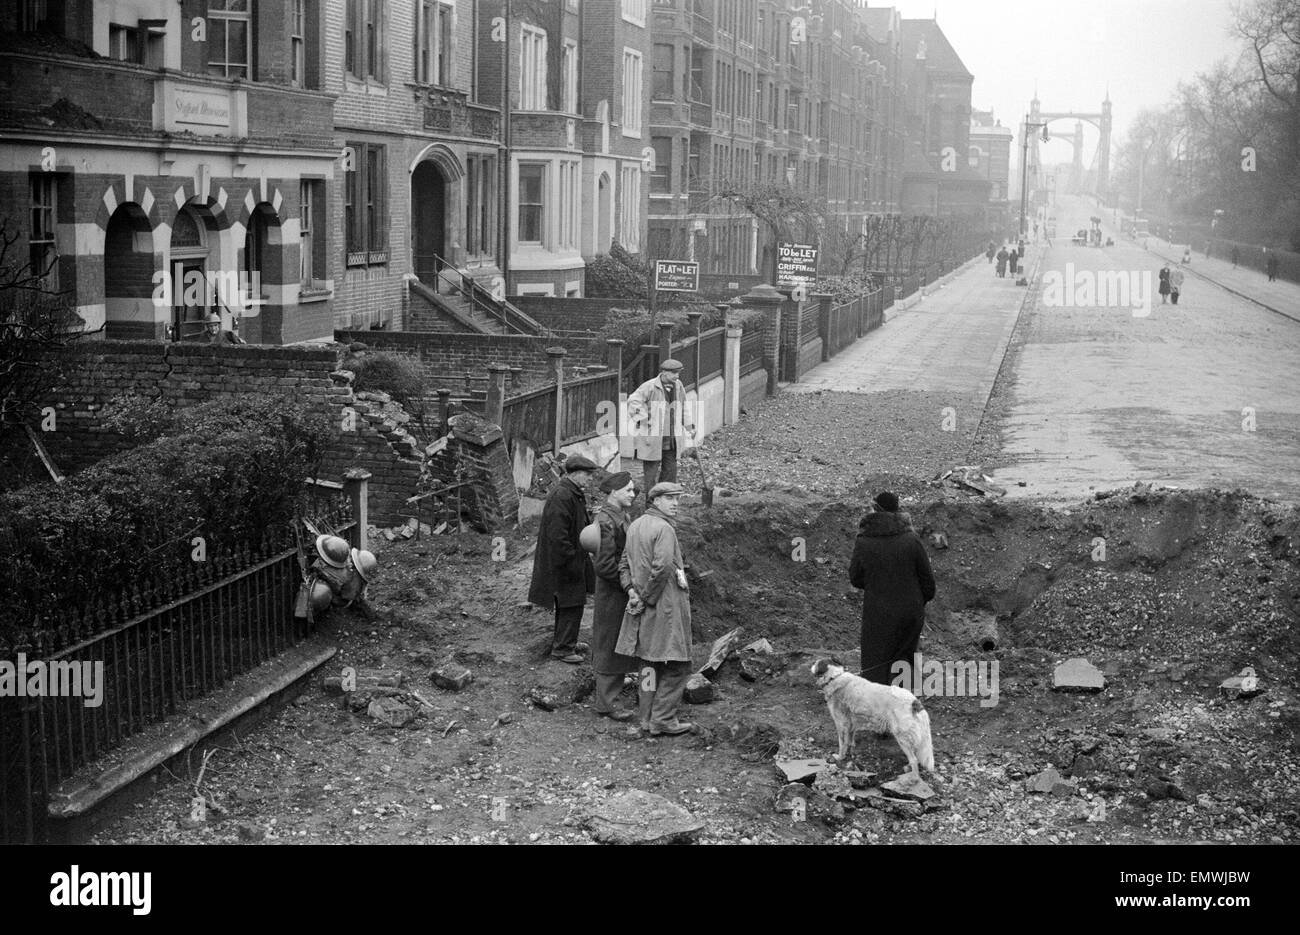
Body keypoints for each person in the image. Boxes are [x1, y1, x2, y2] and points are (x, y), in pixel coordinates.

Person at [615, 482, 693, 736]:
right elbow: (662, 569)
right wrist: (646, 597)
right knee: (679, 665)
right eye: (670, 498)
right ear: (655, 500)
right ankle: (663, 718)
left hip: (643, 606)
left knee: (648, 664)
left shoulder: (635, 525)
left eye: (677, 498)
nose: (675, 503)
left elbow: (623, 564)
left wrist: (632, 592)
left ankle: (645, 719)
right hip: (665, 607)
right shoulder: (664, 529)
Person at [848, 491, 936, 685]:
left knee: (876, 666)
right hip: (910, 612)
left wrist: (876, 585)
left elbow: (855, 578)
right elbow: (928, 584)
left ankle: (879, 708)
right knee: (904, 661)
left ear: (876, 511)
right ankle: (906, 706)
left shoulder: (864, 542)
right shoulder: (911, 540)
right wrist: (916, 603)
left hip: (878, 614)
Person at [528, 455, 598, 664]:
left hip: (571, 558)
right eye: (587, 475)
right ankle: (563, 649)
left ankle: (567, 642)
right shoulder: (563, 496)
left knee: (572, 603)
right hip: (564, 562)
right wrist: (571, 560)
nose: (590, 479)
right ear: (576, 474)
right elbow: (558, 535)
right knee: (571, 603)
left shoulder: (571, 493)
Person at [589, 471, 639, 721]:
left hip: (620, 591)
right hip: (613, 594)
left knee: (619, 643)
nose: (633, 494)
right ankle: (607, 703)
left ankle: (611, 697)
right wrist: (628, 585)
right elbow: (604, 565)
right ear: (614, 492)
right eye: (628, 490)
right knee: (609, 644)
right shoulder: (606, 521)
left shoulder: (620, 515)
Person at [626, 359, 695, 504]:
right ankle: (650, 504)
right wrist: (644, 418)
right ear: (663, 372)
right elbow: (633, 401)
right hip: (653, 440)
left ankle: (666, 502)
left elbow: (683, 407)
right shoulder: (650, 386)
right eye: (673, 373)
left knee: (670, 473)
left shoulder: (678, 386)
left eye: (678, 372)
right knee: (650, 475)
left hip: (672, 440)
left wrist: (690, 426)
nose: (677, 376)